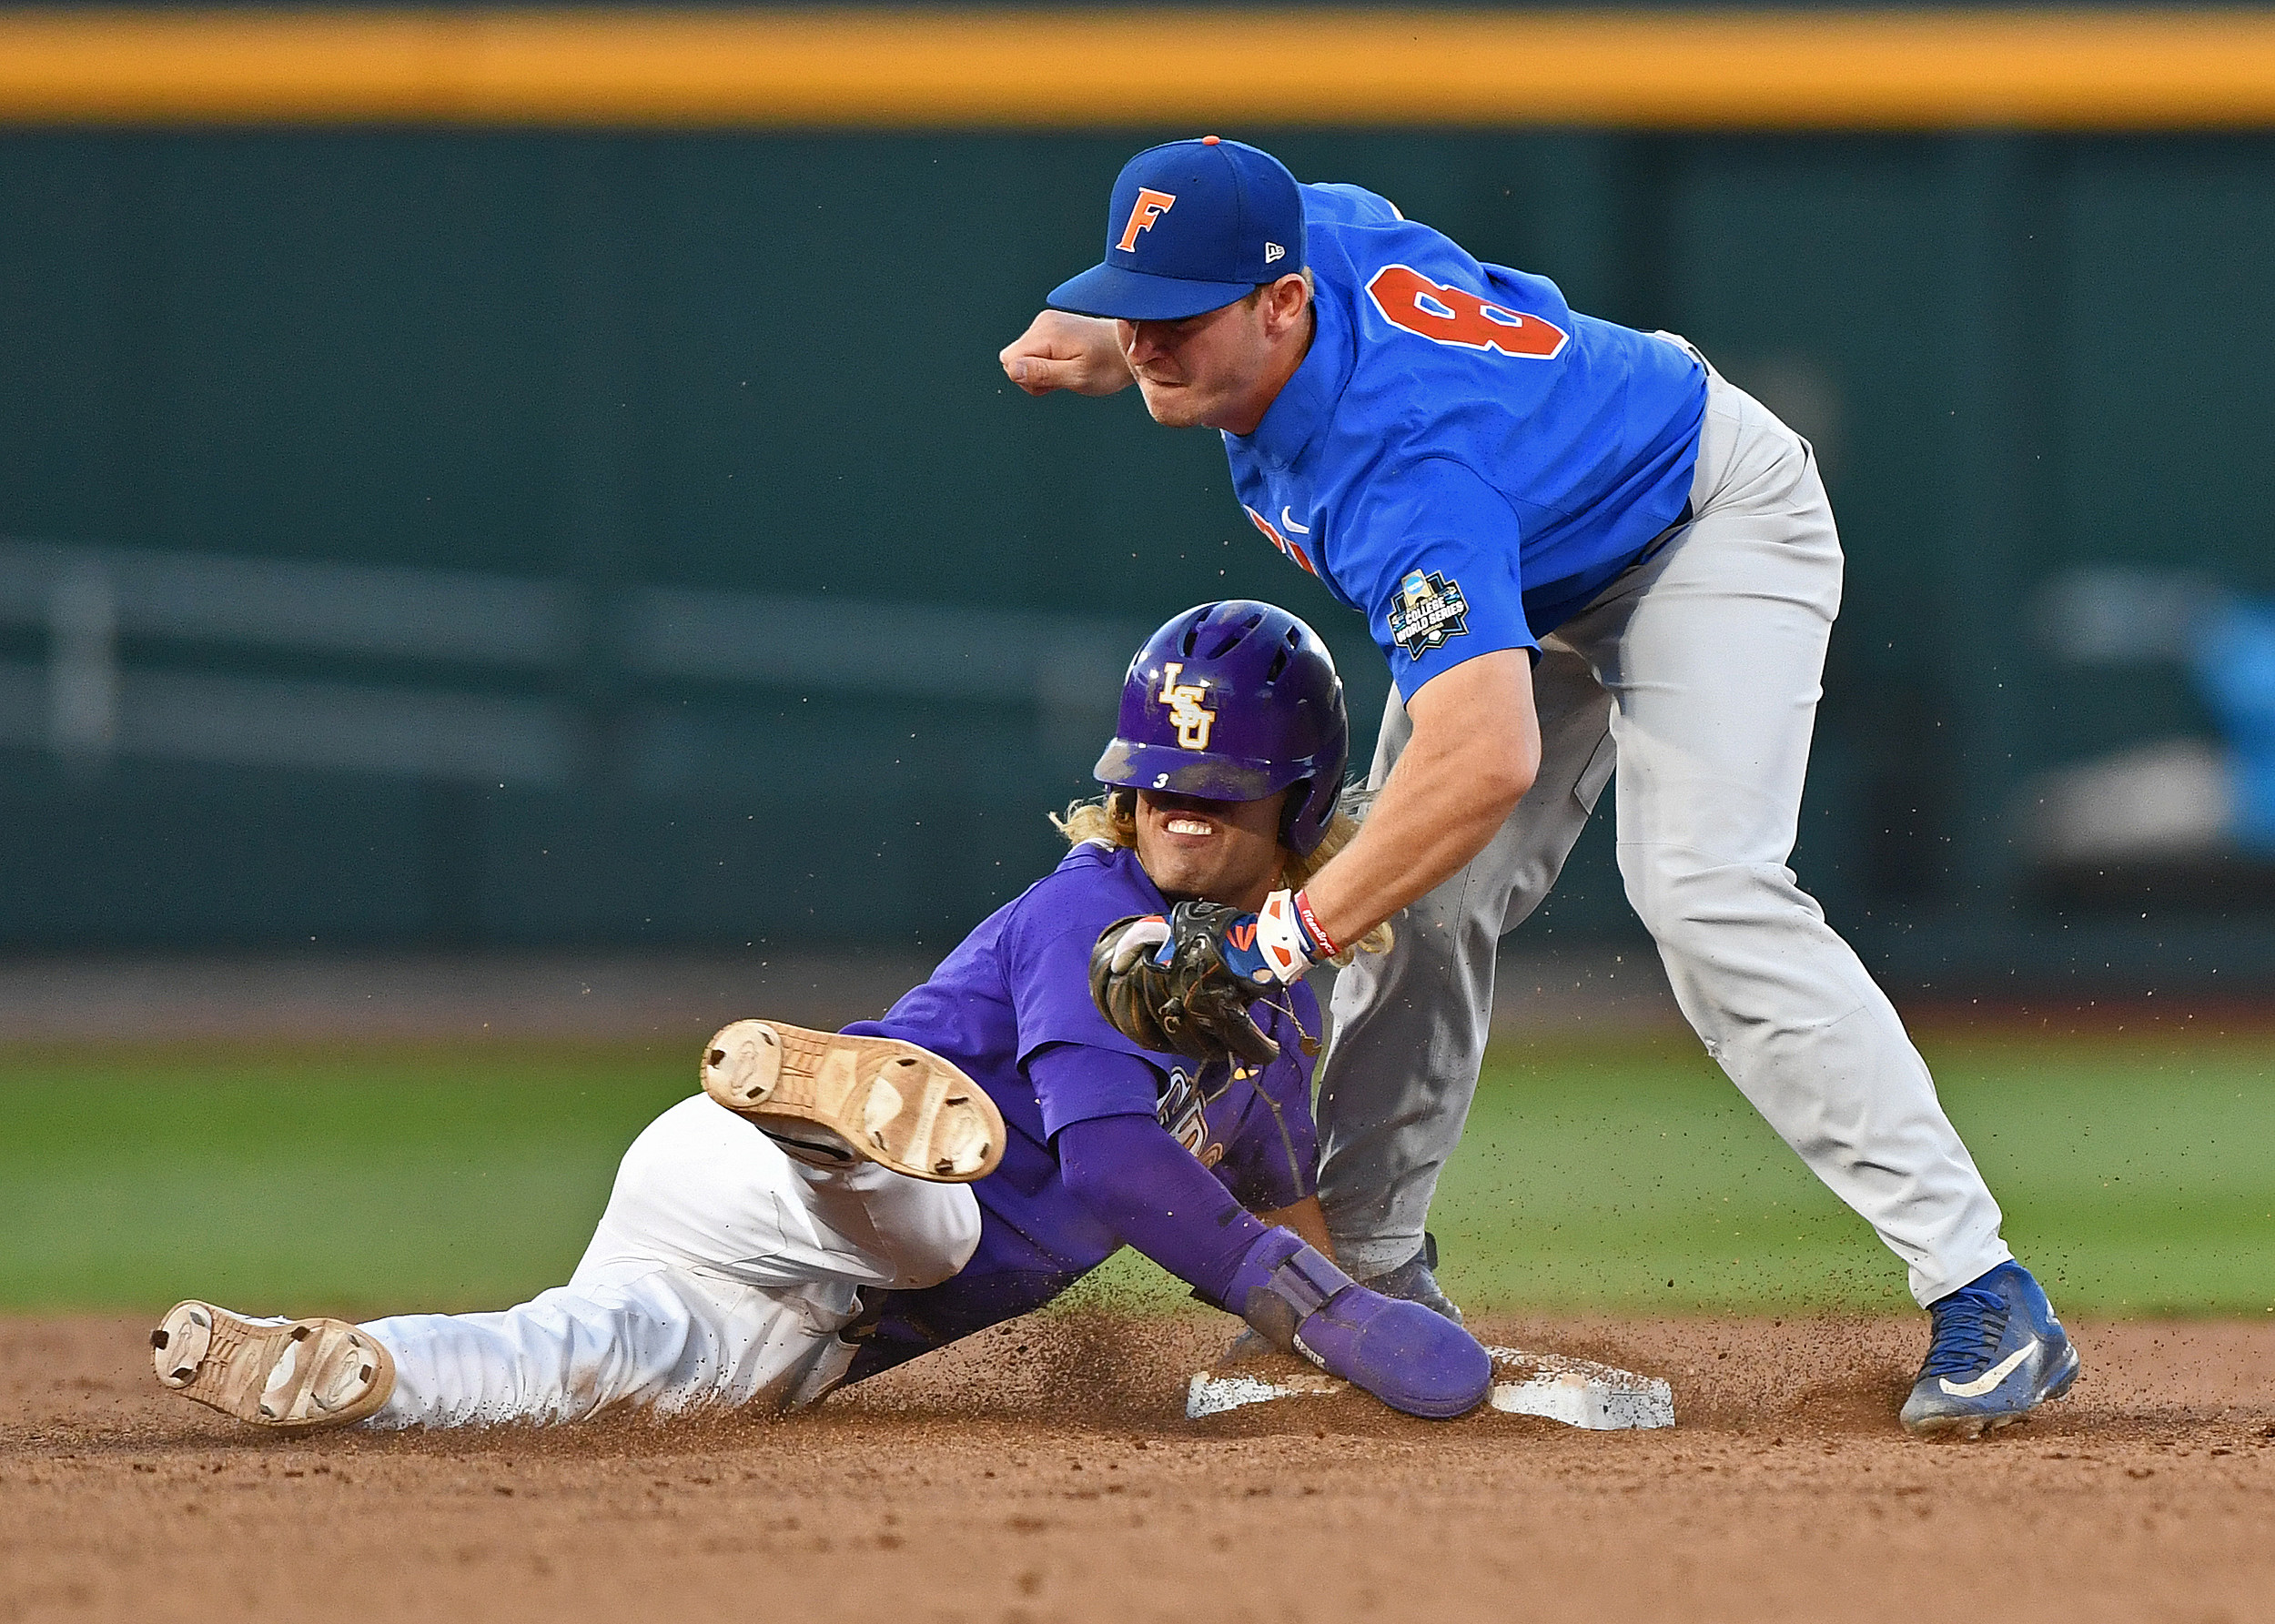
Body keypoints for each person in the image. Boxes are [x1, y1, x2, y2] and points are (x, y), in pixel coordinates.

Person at [1001, 136, 2076, 1438]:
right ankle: (1372, 1274)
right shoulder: (1300, 247)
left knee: (1701, 889)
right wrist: (1130, 321)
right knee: (1423, 896)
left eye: (1179, 314)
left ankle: (1985, 1285)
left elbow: (1488, 754)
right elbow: (1248, 255)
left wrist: (1286, 935)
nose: (1150, 338)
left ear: (1283, 305)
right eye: (1135, 302)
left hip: (1702, 520)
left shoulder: (1397, 464)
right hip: (1541, 551)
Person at [149, 600, 1491, 1433]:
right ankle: (830, 1117)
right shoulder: (1097, 913)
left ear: (1306, 810)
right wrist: (1322, 1316)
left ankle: (332, 1364)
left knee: (573, 1363)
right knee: (939, 1212)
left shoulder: (1272, 1008)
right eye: (1161, 786)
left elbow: (1276, 1190)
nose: (1180, 811)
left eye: (1222, 790)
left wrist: (1344, 1338)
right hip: (819, 1193)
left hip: (779, 1293)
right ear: (1125, 799)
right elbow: (1111, 1162)